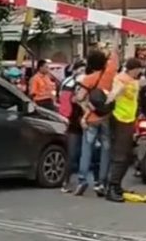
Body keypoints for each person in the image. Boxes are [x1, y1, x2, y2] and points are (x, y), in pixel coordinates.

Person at [73, 42, 119, 197]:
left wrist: (87, 109)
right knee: (106, 150)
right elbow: (115, 54)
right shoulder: (111, 73)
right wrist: (108, 47)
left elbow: (79, 97)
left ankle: (82, 180)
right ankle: (102, 182)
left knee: (87, 149)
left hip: (91, 120)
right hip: (106, 117)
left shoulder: (88, 79)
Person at [105, 58, 143, 202]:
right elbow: (115, 92)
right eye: (139, 69)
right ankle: (112, 188)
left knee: (127, 156)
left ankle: (117, 186)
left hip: (129, 120)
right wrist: (111, 97)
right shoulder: (121, 79)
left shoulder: (133, 80)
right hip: (120, 120)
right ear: (135, 68)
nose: (140, 72)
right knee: (120, 156)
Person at [58, 60, 88, 192]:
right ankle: (66, 181)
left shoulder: (84, 83)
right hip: (74, 123)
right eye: (80, 70)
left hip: (84, 122)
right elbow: (65, 104)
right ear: (74, 70)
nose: (82, 73)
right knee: (73, 153)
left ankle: (81, 180)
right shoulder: (69, 85)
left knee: (83, 154)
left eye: (84, 70)